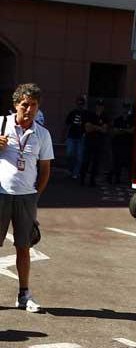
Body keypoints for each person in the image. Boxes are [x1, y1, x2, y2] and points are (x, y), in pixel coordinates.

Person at [0, 83, 54, 313]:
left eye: (33, 105)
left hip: (26, 198)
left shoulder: (42, 134)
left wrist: (35, 196)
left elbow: (45, 169)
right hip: (0, 195)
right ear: (15, 105)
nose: (29, 109)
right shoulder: (1, 124)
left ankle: (24, 295)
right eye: (24, 104)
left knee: (24, 247)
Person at [80, 99, 109, 187]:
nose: (100, 107)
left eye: (101, 106)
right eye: (98, 105)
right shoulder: (90, 115)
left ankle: (92, 180)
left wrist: (94, 127)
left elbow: (104, 130)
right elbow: (87, 128)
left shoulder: (105, 117)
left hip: (99, 142)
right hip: (89, 141)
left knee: (96, 162)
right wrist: (99, 127)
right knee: (86, 161)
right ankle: (82, 178)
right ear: (96, 106)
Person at [108, 102, 134, 185]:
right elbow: (115, 131)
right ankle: (115, 178)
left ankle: (126, 178)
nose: (125, 110)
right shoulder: (118, 120)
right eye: (124, 108)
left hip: (127, 144)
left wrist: (121, 130)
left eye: (127, 108)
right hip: (117, 143)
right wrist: (125, 130)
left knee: (126, 162)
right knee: (116, 161)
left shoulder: (131, 120)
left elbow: (132, 131)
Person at [64, 95, 87, 179]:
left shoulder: (86, 114)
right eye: (79, 104)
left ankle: (76, 172)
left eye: (82, 104)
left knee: (79, 156)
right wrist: (64, 135)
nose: (80, 106)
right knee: (69, 154)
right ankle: (70, 169)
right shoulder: (72, 113)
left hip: (81, 136)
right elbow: (67, 124)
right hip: (71, 136)